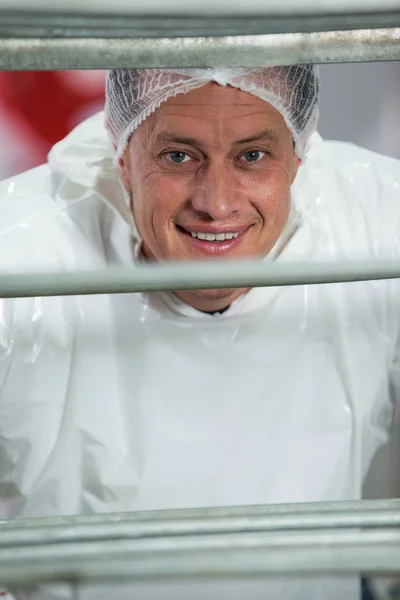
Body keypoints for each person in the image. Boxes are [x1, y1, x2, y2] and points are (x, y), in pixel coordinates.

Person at [0, 67, 399, 600]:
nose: (216, 203)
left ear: (300, 155)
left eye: (253, 156)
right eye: (178, 157)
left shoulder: (372, 219)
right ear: (120, 151)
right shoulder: (23, 250)